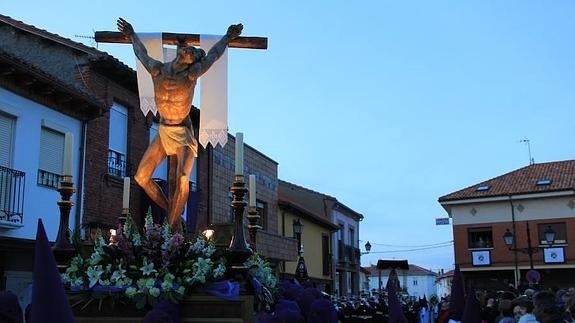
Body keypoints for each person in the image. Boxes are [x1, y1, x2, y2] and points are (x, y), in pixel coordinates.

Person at [117, 18, 243, 229]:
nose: (188, 50)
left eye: (193, 52)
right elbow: (141, 53)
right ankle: (171, 212)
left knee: (183, 177)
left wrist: (228, 37)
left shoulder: (191, 75)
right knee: (141, 177)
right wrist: (131, 34)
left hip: (183, 134)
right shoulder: (157, 69)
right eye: (189, 49)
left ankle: (170, 229)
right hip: (164, 131)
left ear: (192, 62)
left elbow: (212, 56)